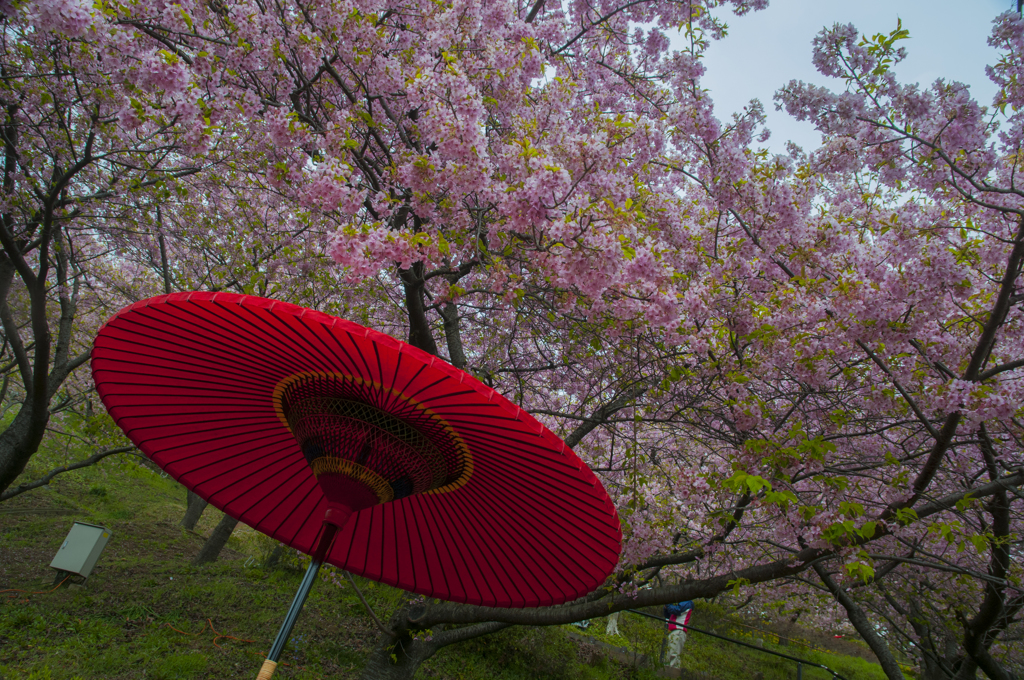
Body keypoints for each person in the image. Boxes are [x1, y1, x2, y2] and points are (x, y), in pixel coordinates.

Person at [664, 600, 694, 668]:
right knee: (668, 655)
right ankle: (667, 672)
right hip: (673, 631)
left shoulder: (687, 602)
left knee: (673, 654)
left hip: (678, 631)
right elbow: (668, 615)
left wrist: (668, 602)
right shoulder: (680, 604)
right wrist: (666, 607)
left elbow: (676, 610)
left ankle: (672, 674)